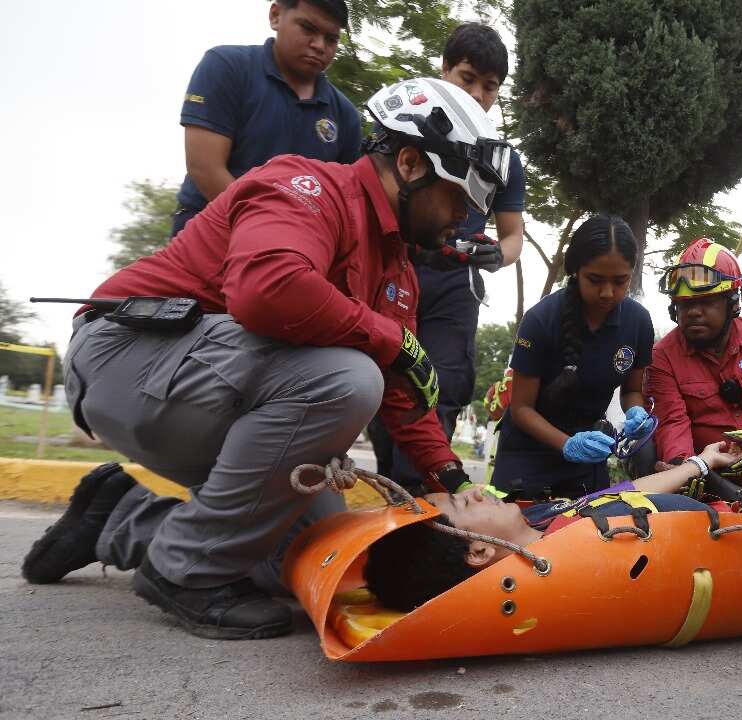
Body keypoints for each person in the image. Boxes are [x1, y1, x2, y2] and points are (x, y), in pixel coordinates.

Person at [21, 78, 510, 640]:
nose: (465, 220)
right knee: (348, 380)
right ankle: (184, 572)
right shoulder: (305, 187)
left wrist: (446, 475)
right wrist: (388, 340)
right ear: (409, 162)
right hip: (124, 360)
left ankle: (119, 518)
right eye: (458, 198)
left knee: (325, 550)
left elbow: (402, 390)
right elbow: (267, 288)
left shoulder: (396, 268)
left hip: (202, 392)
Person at [375, 23, 529, 495]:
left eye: (490, 86)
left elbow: (513, 239)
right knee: (378, 383)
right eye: (468, 78)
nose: (478, 94)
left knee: (437, 388)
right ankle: (386, 487)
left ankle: (425, 500)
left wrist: (494, 255)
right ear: (443, 71)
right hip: (391, 275)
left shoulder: (503, 159)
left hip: (452, 286)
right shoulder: (404, 125)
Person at [364, 440, 742, 611]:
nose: (477, 491)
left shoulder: (540, 521)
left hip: (716, 501)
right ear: (478, 550)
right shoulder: (573, 554)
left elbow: (624, 491)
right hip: (732, 527)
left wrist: (701, 463)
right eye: (465, 502)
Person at [490, 215, 655, 500]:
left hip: (590, 457)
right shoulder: (541, 320)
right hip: (528, 456)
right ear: (576, 270)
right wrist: (567, 444)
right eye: (595, 279)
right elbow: (522, 409)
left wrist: (636, 413)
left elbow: (631, 390)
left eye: (620, 281)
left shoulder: (637, 322)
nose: (607, 292)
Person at [172, 0, 362, 235]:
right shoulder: (226, 66)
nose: (319, 45)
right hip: (209, 226)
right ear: (275, 16)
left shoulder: (345, 115)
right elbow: (204, 168)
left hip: (299, 248)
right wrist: (266, 233)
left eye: (331, 39)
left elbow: (345, 201)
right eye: (308, 28)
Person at [647, 239, 742, 510]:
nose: (693, 312)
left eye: (705, 301)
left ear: (732, 303)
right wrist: (681, 467)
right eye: (684, 304)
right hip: (702, 485)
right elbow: (673, 421)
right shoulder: (663, 355)